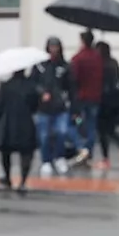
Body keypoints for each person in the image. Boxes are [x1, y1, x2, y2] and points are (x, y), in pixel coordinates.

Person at [0, 68, 40, 194]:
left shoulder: (6, 86)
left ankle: (7, 177)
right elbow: (35, 105)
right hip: (25, 122)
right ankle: (23, 181)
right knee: (26, 152)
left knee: (5, 152)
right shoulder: (31, 86)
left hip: (8, 123)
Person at [32, 37, 74, 177]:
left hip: (60, 107)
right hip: (43, 107)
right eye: (51, 47)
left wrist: (70, 102)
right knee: (44, 136)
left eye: (56, 47)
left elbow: (71, 86)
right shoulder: (40, 66)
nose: (53, 50)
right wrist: (41, 93)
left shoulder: (65, 66)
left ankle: (59, 157)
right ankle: (46, 161)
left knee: (61, 132)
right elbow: (33, 83)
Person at [96, 41, 119, 171]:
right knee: (110, 129)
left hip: (103, 101)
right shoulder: (114, 63)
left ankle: (106, 159)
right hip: (116, 102)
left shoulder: (101, 65)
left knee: (102, 131)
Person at [69, 31, 103, 167]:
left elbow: (73, 79)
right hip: (95, 97)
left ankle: (81, 148)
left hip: (81, 98)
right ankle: (88, 151)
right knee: (91, 126)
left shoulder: (78, 58)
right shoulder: (97, 57)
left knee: (76, 122)